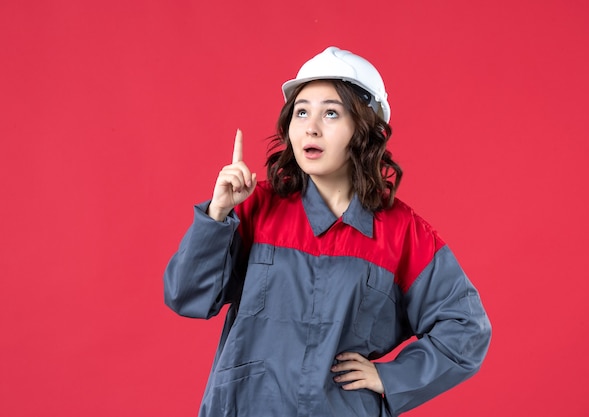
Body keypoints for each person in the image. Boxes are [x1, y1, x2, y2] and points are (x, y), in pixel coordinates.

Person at [164, 46, 491, 417]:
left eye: (331, 113)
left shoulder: (403, 234)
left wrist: (392, 378)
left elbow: (467, 329)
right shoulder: (256, 208)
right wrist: (218, 213)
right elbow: (185, 296)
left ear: (366, 131)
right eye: (301, 111)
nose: (311, 126)